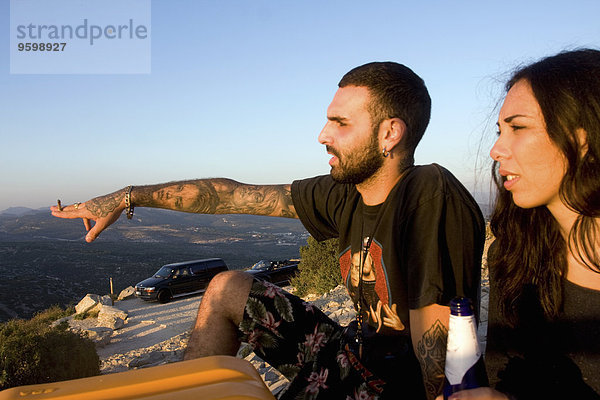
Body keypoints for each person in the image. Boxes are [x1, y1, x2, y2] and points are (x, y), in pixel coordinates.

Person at [52, 62, 485, 399]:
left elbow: (441, 354)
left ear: (390, 133)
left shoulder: (428, 195)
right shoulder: (346, 193)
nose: (322, 135)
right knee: (227, 288)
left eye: (340, 123)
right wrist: (128, 196)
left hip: (393, 388)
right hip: (355, 354)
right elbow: (229, 196)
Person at [439, 49, 600, 400]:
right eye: (500, 131)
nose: (496, 150)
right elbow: (507, 377)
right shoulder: (514, 255)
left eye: (518, 127)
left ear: (582, 139)